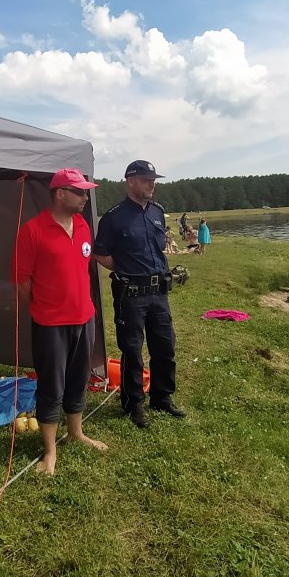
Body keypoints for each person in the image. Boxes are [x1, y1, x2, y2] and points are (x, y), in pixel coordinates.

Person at [12, 168, 108, 475]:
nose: (84, 197)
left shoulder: (82, 225)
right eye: (79, 192)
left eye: (85, 192)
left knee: (79, 378)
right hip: (50, 323)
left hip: (85, 318)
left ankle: (76, 432)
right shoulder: (32, 230)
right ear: (60, 194)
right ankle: (50, 451)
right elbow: (21, 280)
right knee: (52, 385)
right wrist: (43, 306)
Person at [93, 160, 186, 429]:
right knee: (132, 350)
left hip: (159, 293)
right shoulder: (114, 217)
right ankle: (133, 404)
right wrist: (124, 269)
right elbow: (100, 252)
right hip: (131, 294)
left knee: (164, 346)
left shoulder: (157, 212)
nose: (152, 184)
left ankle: (162, 397)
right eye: (147, 179)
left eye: (154, 179)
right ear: (131, 181)